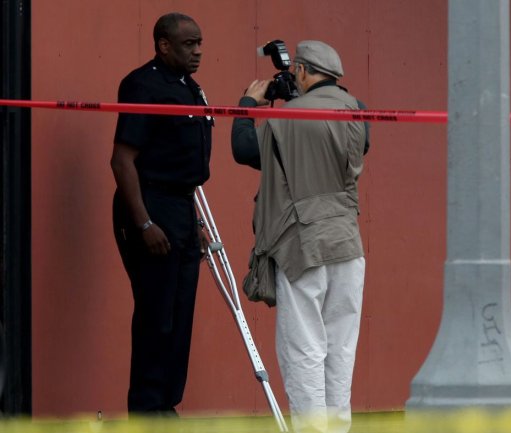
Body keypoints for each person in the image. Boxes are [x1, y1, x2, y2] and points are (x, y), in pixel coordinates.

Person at [231, 40, 369, 433]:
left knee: (304, 348)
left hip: (301, 244)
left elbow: (244, 149)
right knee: (341, 349)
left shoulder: (285, 118)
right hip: (346, 241)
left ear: (304, 72)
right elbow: (364, 144)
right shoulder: (358, 110)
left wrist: (248, 104)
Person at [110, 12, 212, 415]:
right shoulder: (143, 84)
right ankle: (148, 410)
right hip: (151, 205)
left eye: (200, 43)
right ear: (164, 44)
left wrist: (195, 221)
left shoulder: (190, 88)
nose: (198, 51)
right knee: (156, 316)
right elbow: (121, 161)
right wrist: (145, 222)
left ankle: (167, 405)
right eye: (189, 44)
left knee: (180, 314)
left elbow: (186, 167)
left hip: (183, 207)